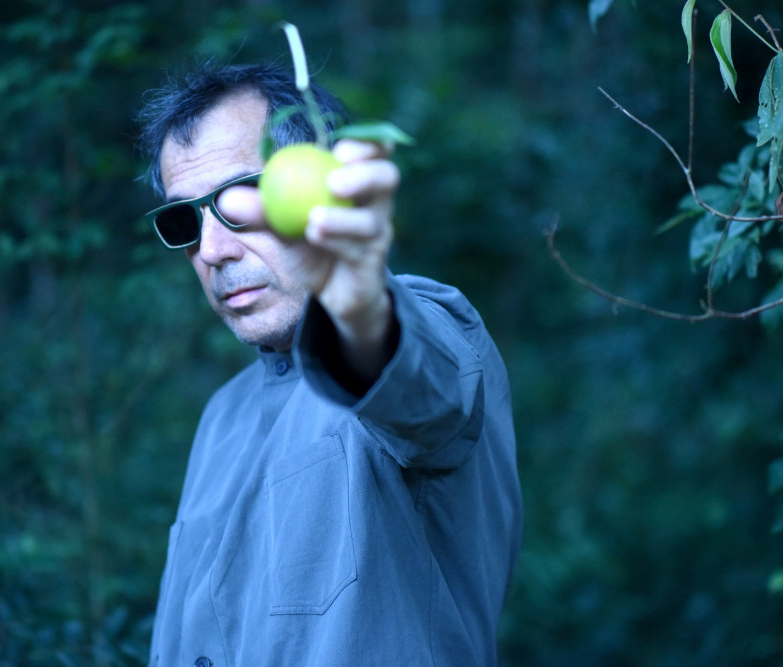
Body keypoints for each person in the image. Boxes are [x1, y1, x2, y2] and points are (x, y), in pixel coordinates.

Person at [136, 61, 523, 666]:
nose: (211, 249)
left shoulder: (420, 327)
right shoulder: (221, 417)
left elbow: (423, 390)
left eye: (242, 198)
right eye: (185, 218)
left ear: (321, 190)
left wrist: (363, 311)